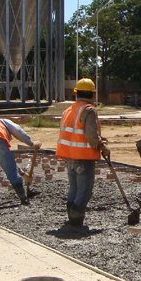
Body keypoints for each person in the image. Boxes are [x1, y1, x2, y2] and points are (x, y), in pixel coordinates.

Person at [56, 78, 110, 227]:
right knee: (84, 191)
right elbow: (90, 135)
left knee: (74, 189)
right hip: (84, 158)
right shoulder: (88, 110)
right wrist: (102, 146)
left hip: (70, 156)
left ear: (76, 93)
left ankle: (71, 217)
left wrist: (99, 139)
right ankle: (76, 219)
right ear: (92, 94)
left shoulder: (68, 110)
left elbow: (76, 132)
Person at [0, 117, 41, 206]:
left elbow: (7, 162)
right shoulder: (3, 122)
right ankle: (23, 198)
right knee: (12, 173)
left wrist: (23, 174)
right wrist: (31, 143)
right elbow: (18, 131)